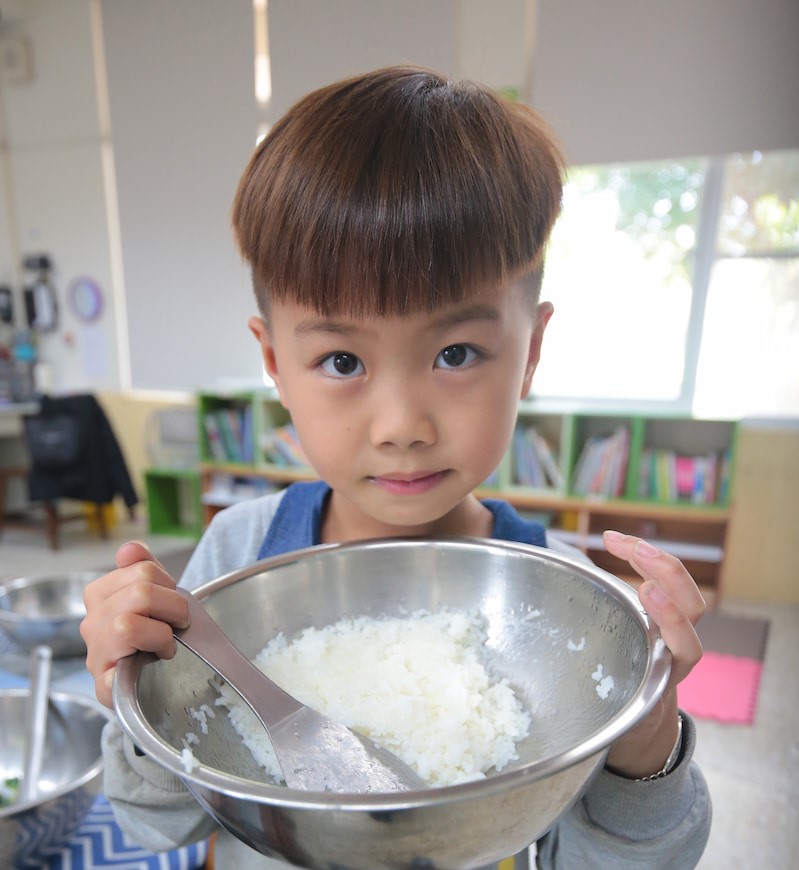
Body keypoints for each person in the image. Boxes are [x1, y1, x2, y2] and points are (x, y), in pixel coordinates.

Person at [81, 65, 711, 869]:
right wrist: (135, 705)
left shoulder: (566, 617)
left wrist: (644, 745)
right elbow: (150, 826)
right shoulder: (236, 560)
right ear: (274, 362)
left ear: (531, 353)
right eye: (341, 360)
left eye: (455, 352)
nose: (401, 426)